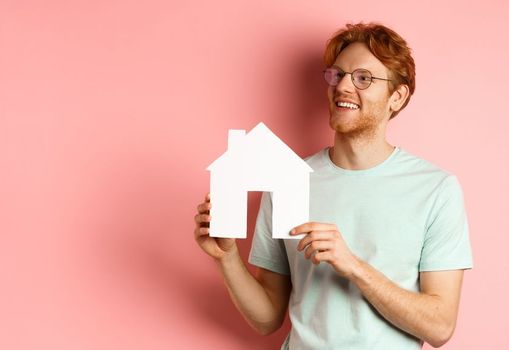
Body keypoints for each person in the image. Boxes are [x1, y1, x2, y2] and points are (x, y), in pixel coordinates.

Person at [194, 22, 473, 349]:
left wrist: (354, 267)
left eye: (363, 78)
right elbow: (268, 317)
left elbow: (439, 327)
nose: (343, 87)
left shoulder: (435, 189)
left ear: (396, 97)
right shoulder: (288, 180)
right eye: (337, 75)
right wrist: (226, 258)